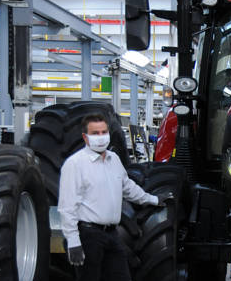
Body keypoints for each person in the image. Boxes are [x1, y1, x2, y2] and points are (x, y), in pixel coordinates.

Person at [58, 113, 173, 280]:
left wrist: (153, 199)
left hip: (111, 234)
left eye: (104, 132)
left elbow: (128, 188)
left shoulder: (114, 160)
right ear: (85, 137)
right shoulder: (75, 164)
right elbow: (67, 207)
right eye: (95, 133)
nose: (101, 137)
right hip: (88, 236)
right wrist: (73, 242)